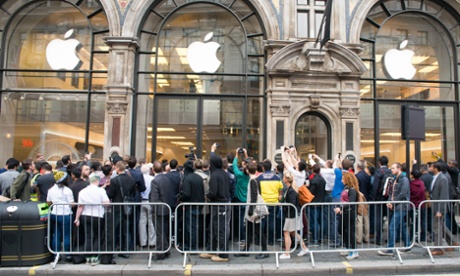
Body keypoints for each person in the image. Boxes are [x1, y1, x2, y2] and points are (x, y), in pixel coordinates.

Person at [199, 154, 231, 262]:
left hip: (218, 205)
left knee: (220, 229)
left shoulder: (214, 175)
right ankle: (211, 250)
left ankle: (223, 255)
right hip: (223, 204)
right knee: (214, 228)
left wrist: (207, 196)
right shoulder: (225, 174)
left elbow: (213, 192)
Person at [234, 162, 269, 259]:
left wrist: (250, 211)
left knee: (257, 231)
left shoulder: (252, 181)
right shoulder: (256, 180)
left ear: (247, 170)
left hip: (253, 210)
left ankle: (264, 251)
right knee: (250, 230)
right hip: (253, 209)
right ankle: (246, 250)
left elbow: (253, 197)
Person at [74, 173, 110, 266]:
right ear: (97, 181)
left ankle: (88, 258)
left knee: (88, 236)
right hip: (98, 215)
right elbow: (107, 203)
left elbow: (80, 207)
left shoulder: (82, 191)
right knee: (97, 236)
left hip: (85, 215)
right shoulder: (101, 191)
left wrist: (77, 218)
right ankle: (94, 257)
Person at [377, 162, 411, 256]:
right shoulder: (396, 179)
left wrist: (392, 202)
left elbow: (402, 194)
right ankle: (407, 246)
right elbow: (392, 193)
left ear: (399, 168)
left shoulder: (404, 180)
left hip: (401, 207)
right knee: (402, 227)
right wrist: (390, 202)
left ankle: (390, 248)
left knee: (392, 227)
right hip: (397, 206)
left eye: (393, 168)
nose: (391, 170)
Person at [428, 162, 459, 255]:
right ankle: (453, 242)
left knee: (436, 228)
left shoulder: (443, 179)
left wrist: (440, 210)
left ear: (436, 168)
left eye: (431, 166)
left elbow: (444, 195)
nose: (429, 168)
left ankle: (438, 248)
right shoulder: (436, 177)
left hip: (439, 207)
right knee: (441, 226)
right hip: (435, 206)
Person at [279, 171, 308, 259]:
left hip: (291, 215)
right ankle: (304, 248)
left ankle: (287, 253)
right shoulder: (290, 189)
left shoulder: (291, 190)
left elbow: (291, 204)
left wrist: (284, 206)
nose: (283, 179)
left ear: (287, 180)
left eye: (284, 177)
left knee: (286, 232)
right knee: (292, 232)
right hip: (292, 214)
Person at [47, 171, 74, 262]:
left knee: (56, 234)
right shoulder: (68, 190)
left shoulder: (50, 190)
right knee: (66, 235)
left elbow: (48, 202)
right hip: (66, 214)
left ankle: (56, 254)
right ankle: (68, 254)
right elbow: (72, 204)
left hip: (54, 213)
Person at [150, 161, 175, 260]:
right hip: (167, 207)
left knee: (159, 231)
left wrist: (154, 209)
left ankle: (161, 252)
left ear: (153, 170)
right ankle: (166, 249)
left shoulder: (155, 181)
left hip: (159, 209)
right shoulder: (168, 178)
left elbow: (154, 198)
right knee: (165, 231)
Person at [180, 159, 205, 251]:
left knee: (190, 228)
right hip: (198, 204)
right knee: (194, 227)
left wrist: (181, 198)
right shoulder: (198, 177)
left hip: (190, 205)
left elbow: (187, 194)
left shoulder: (187, 178)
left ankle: (191, 246)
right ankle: (193, 245)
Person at [335, 171, 359, 260]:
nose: (341, 180)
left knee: (350, 231)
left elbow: (351, 203)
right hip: (344, 212)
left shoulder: (352, 190)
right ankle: (348, 247)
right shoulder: (346, 188)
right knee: (341, 229)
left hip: (350, 213)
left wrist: (341, 208)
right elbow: (343, 200)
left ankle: (354, 250)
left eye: (343, 179)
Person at [139, 163, 156, 249]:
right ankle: (152, 241)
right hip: (150, 201)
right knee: (151, 222)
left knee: (142, 222)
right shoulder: (153, 179)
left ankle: (143, 242)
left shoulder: (140, 179)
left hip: (142, 201)